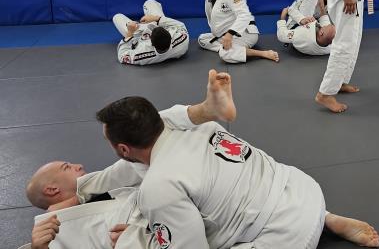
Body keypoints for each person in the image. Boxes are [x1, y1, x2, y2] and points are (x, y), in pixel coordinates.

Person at [93, 95, 379, 248]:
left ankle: (318, 226)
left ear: (124, 149)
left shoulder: (158, 188)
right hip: (305, 189)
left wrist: (136, 240)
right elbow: (175, 116)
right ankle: (325, 219)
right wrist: (84, 185)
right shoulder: (199, 125)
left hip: (285, 237)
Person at [25, 70, 237, 249]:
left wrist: (78, 196)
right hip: (182, 229)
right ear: (51, 190)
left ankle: (204, 111)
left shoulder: (99, 187)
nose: (78, 165)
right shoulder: (51, 233)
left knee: (145, 134)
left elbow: (125, 165)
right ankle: (204, 111)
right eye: (66, 167)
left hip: (185, 215)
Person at [197, 0, 278, 64]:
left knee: (225, 54)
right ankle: (232, 49)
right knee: (202, 39)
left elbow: (244, 15)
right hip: (223, 34)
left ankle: (263, 53)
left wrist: (230, 34)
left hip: (244, 33)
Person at [112, 0, 189, 65]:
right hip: (159, 23)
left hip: (138, 35)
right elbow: (180, 25)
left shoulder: (145, 54)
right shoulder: (182, 41)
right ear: (170, 37)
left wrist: (130, 33)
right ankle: (156, 22)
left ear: (152, 43)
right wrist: (156, 19)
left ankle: (134, 29)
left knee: (117, 17)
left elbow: (122, 56)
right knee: (149, 2)